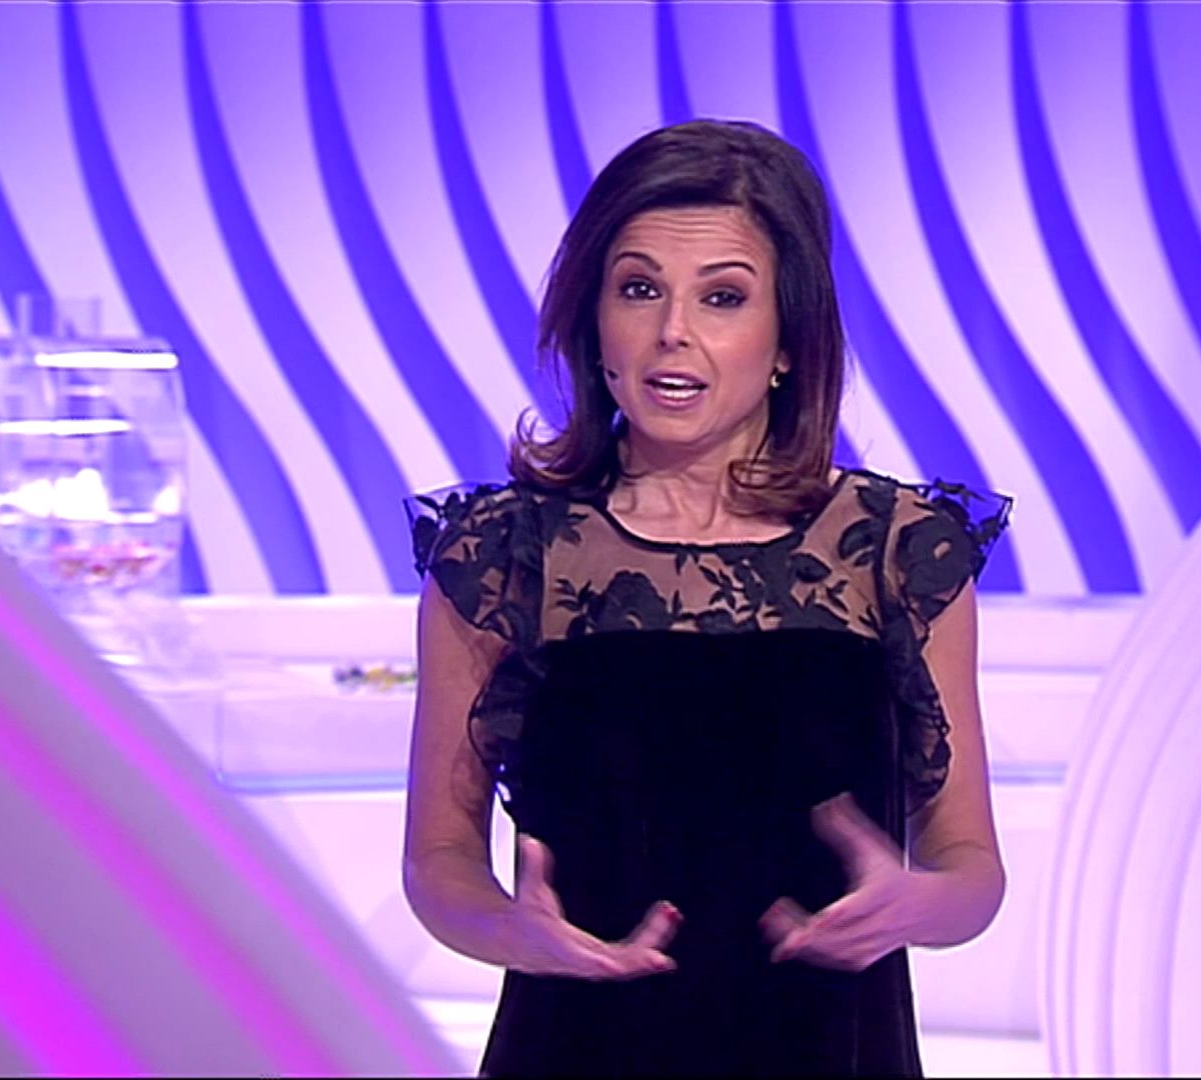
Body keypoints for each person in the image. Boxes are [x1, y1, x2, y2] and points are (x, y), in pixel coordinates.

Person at [402, 119, 1012, 1077]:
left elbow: (971, 868)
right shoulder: (504, 555)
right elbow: (438, 863)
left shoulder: (897, 550)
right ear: (593, 321)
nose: (672, 332)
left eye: (722, 297)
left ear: (788, 341)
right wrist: (506, 929)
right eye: (639, 289)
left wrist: (916, 905)